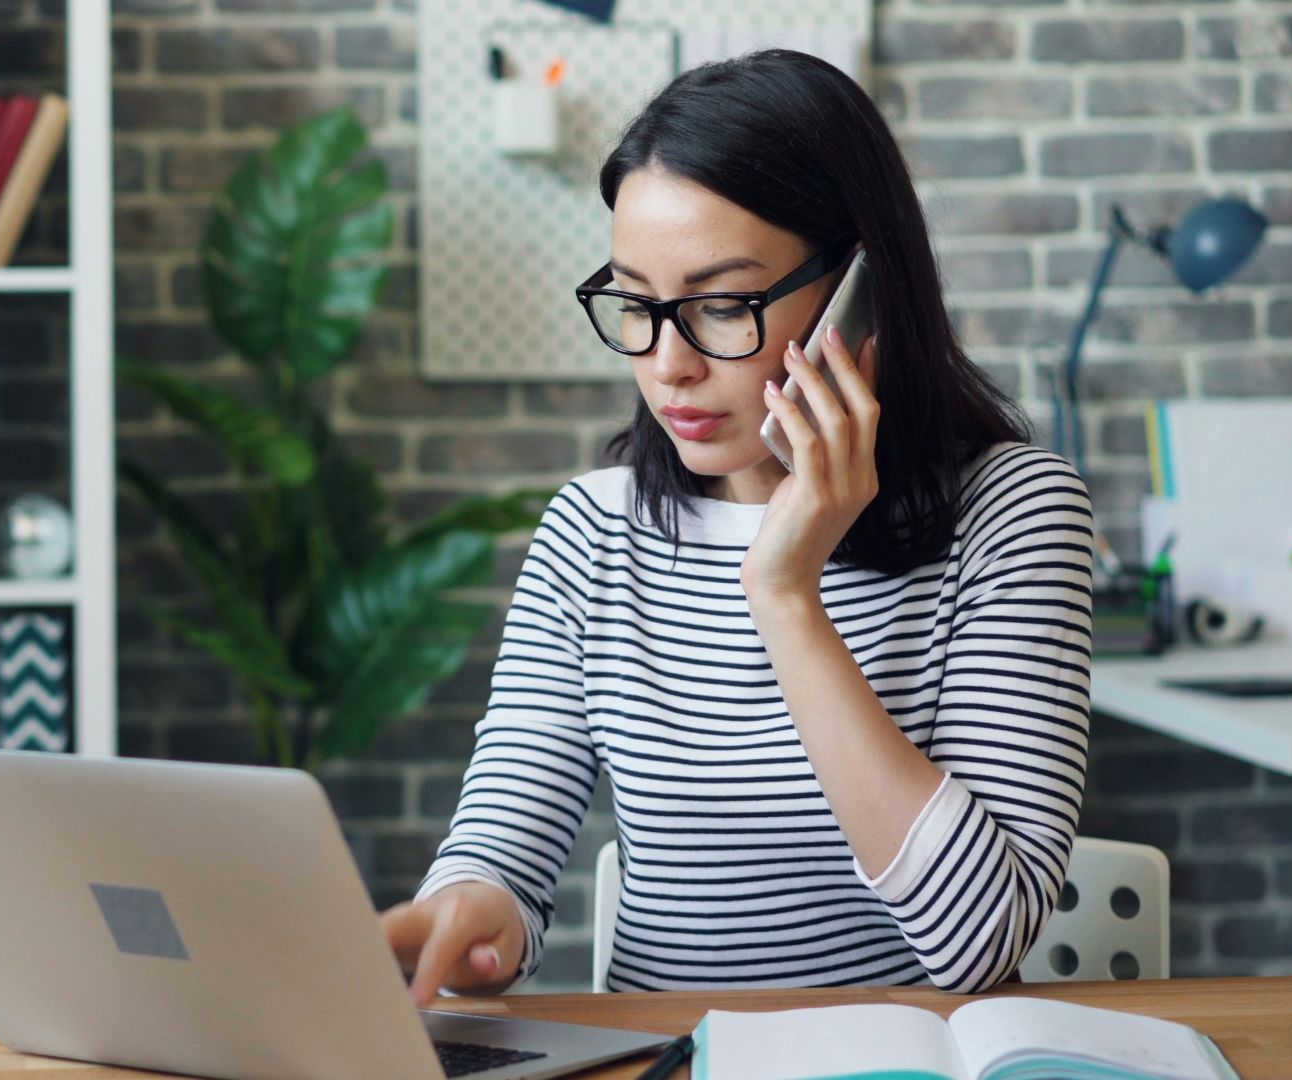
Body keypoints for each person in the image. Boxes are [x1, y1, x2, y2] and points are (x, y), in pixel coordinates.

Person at [381, 48, 1094, 1002]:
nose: (667, 363)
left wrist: (786, 592)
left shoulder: (1012, 513)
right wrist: (473, 909)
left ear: (860, 294)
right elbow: (505, 844)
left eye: (721, 307)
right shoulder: (593, 534)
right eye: (636, 304)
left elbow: (977, 941)